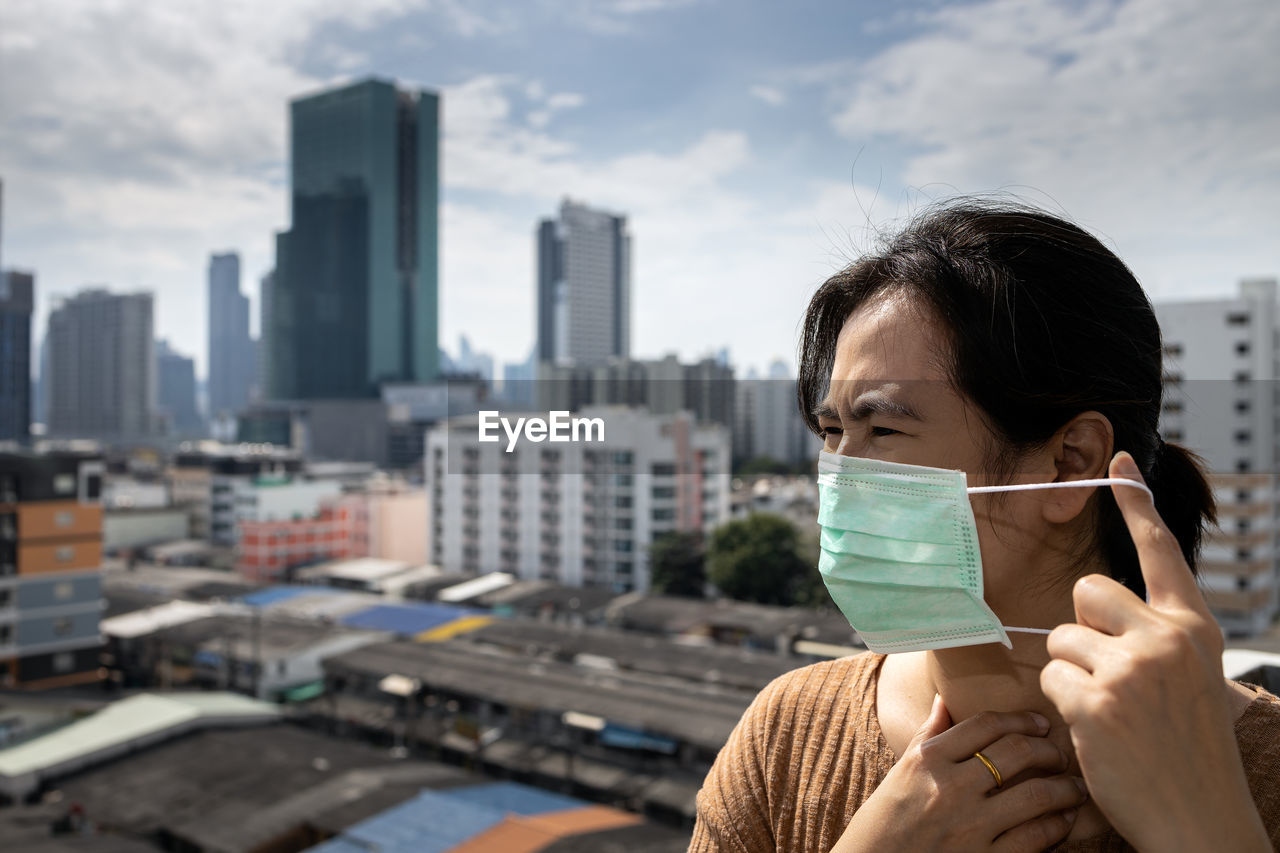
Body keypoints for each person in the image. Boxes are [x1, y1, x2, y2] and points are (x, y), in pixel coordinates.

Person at [688, 200, 1280, 852]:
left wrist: (1206, 826)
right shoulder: (787, 736)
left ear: (1067, 464)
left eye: (882, 428)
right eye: (832, 431)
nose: (839, 476)